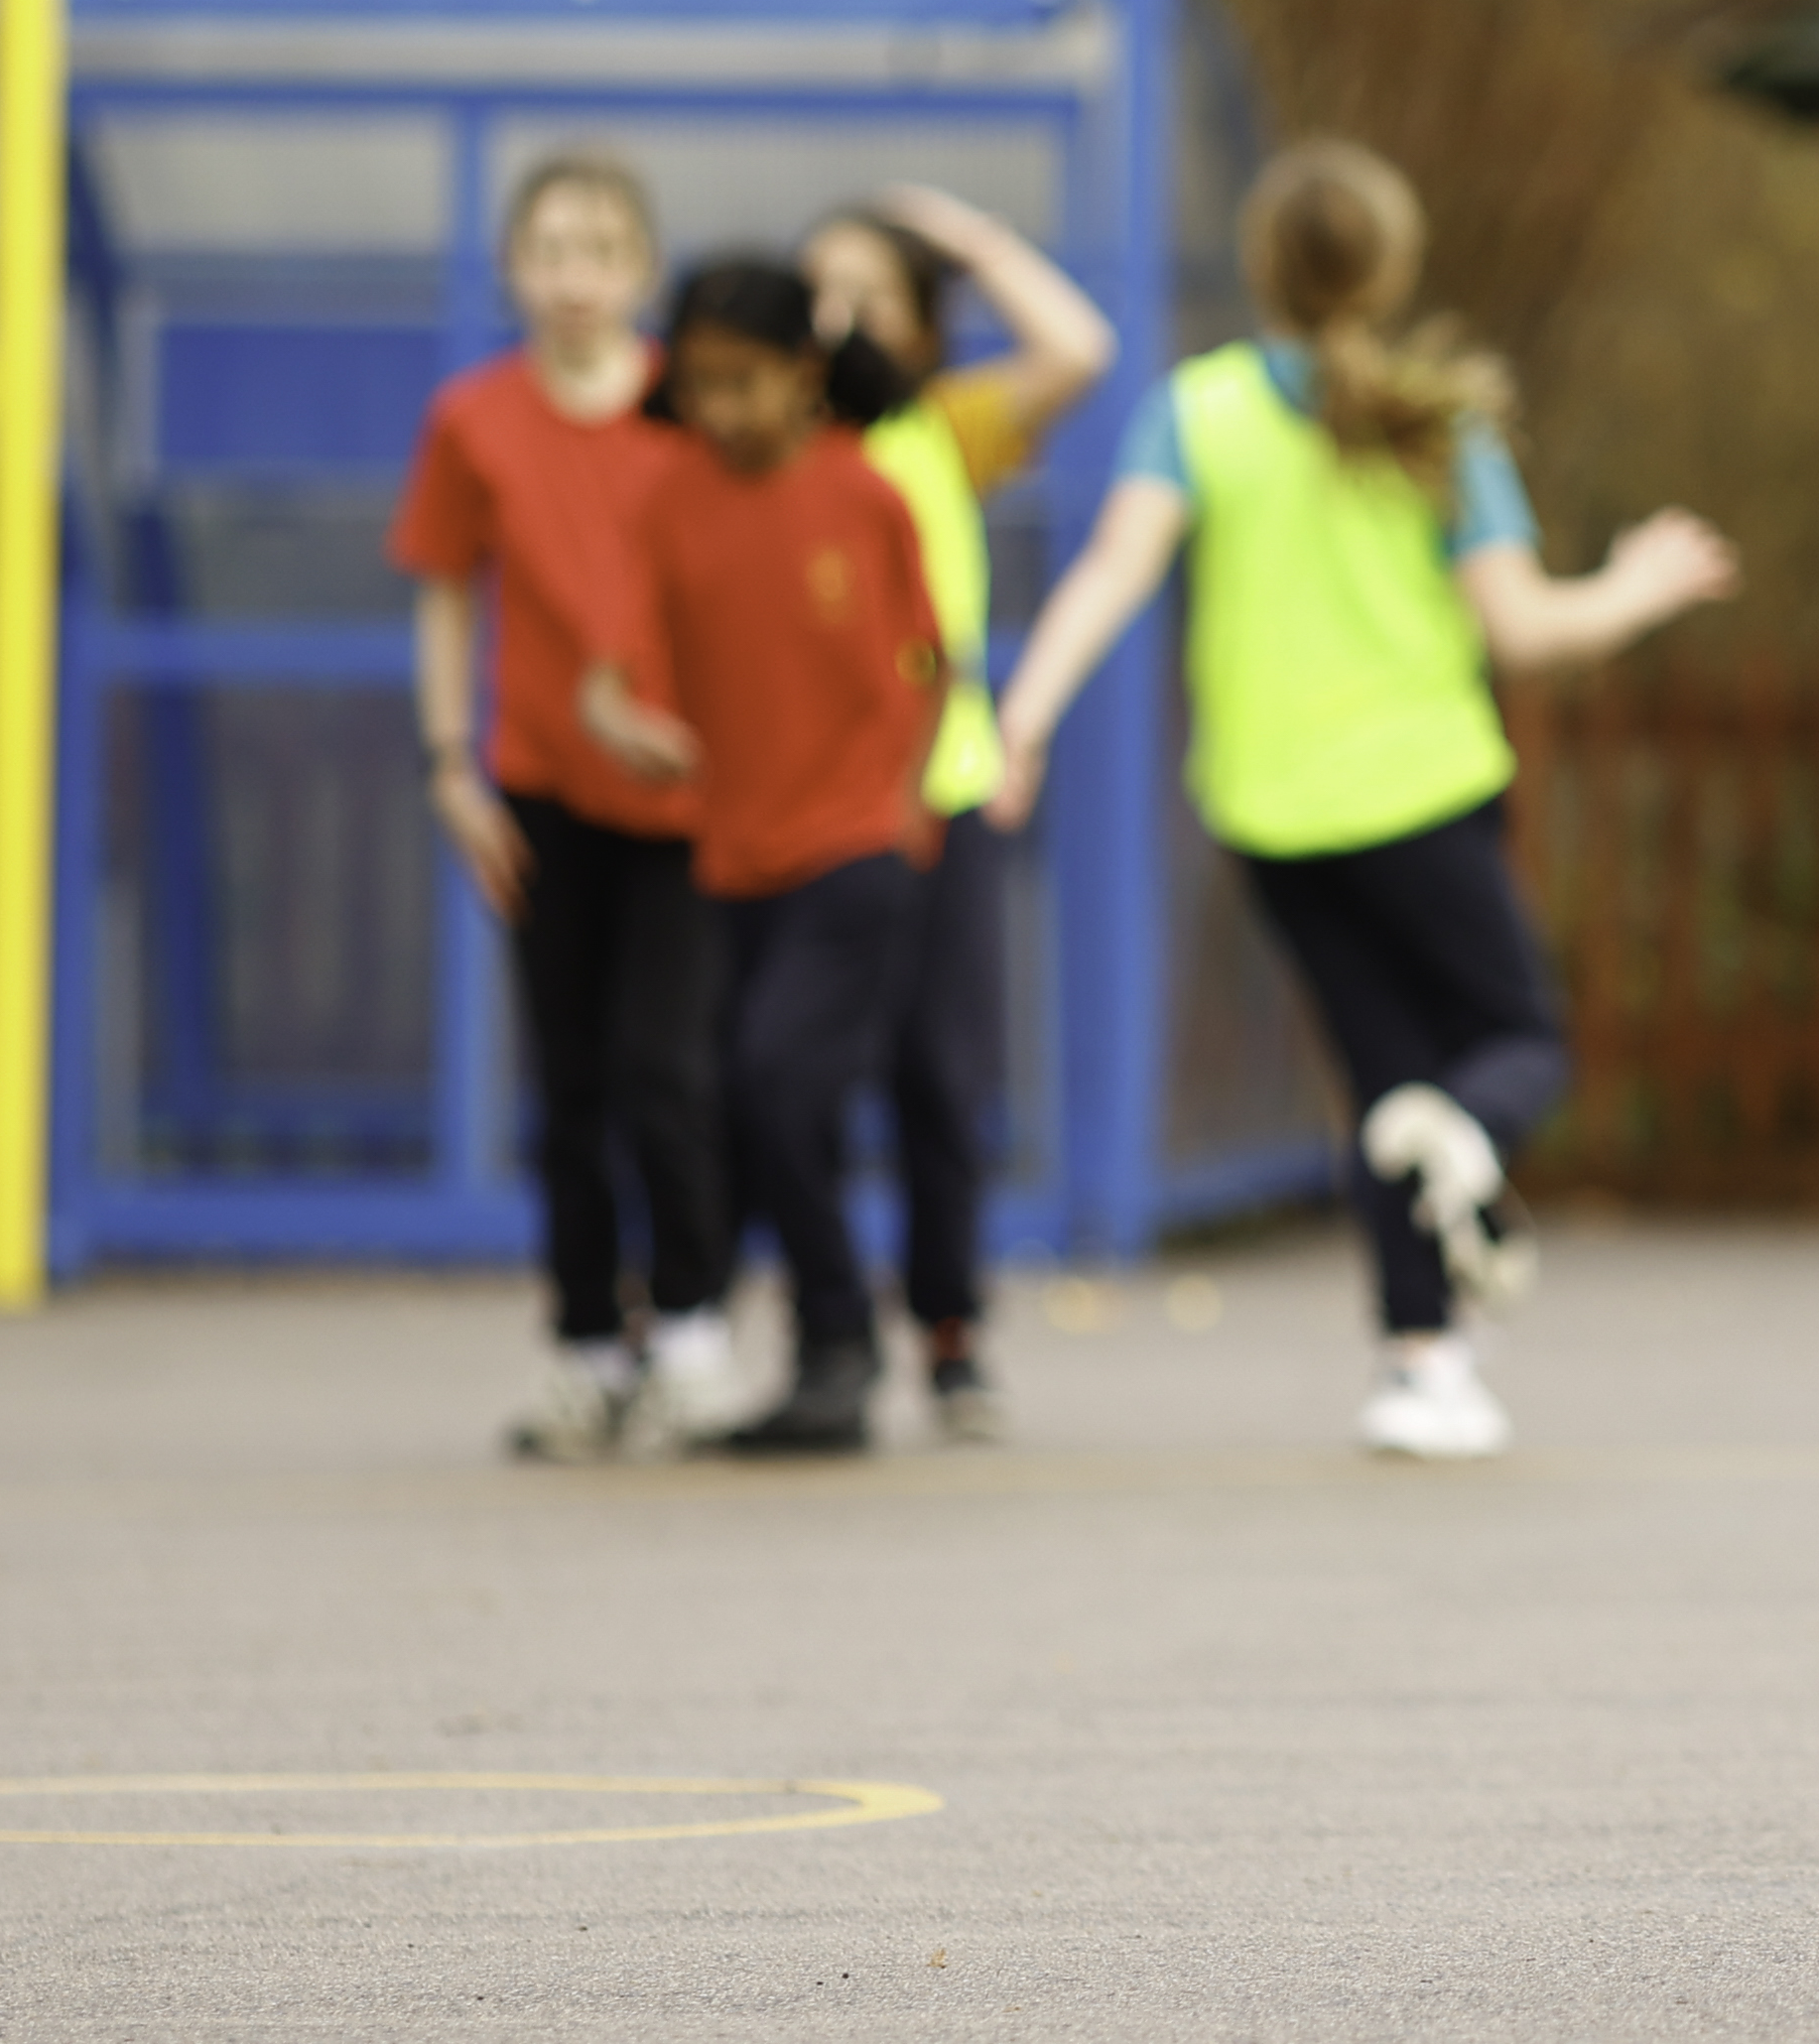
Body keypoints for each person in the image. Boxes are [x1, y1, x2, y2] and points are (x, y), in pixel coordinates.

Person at [990, 139, 1737, 1462]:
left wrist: (1026, 713)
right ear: (1392, 271)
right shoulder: (1434, 418)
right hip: (1421, 792)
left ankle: (1421, 1365)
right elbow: (1525, 631)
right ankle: (1467, 1149)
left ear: (1260, 268)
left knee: (1384, 1077)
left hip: (1272, 813)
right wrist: (1638, 585)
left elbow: (1110, 571)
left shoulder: (1198, 412)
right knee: (1516, 1047)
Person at [389, 151, 741, 1464]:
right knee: (570, 1078)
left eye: (600, 250)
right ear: (511, 269)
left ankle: (693, 1331)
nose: (574, 276)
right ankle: (587, 1345)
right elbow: (444, 587)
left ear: (642, 270)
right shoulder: (473, 420)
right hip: (542, 789)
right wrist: (450, 762)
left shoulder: (692, 413)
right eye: (549, 250)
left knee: (669, 1068)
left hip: (689, 794)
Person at [582, 256, 948, 1457]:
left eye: (743, 383)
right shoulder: (666, 497)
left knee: (778, 1079)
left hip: (854, 848)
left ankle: (839, 1343)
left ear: (804, 374)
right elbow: (610, 672)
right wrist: (621, 722)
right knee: (739, 1104)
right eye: (698, 385)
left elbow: (931, 661)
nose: (720, 409)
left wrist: (904, 805)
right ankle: (698, 1339)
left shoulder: (865, 495)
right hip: (731, 860)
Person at [802, 188, 1115, 1443]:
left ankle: (950, 1331)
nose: (839, 319)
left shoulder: (943, 429)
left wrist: (971, 242)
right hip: (809, 805)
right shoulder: (770, 447)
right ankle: (821, 1333)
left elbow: (1079, 351)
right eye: (818, 293)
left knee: (943, 1075)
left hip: (939, 796)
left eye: (869, 297)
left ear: (923, 327)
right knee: (795, 1076)